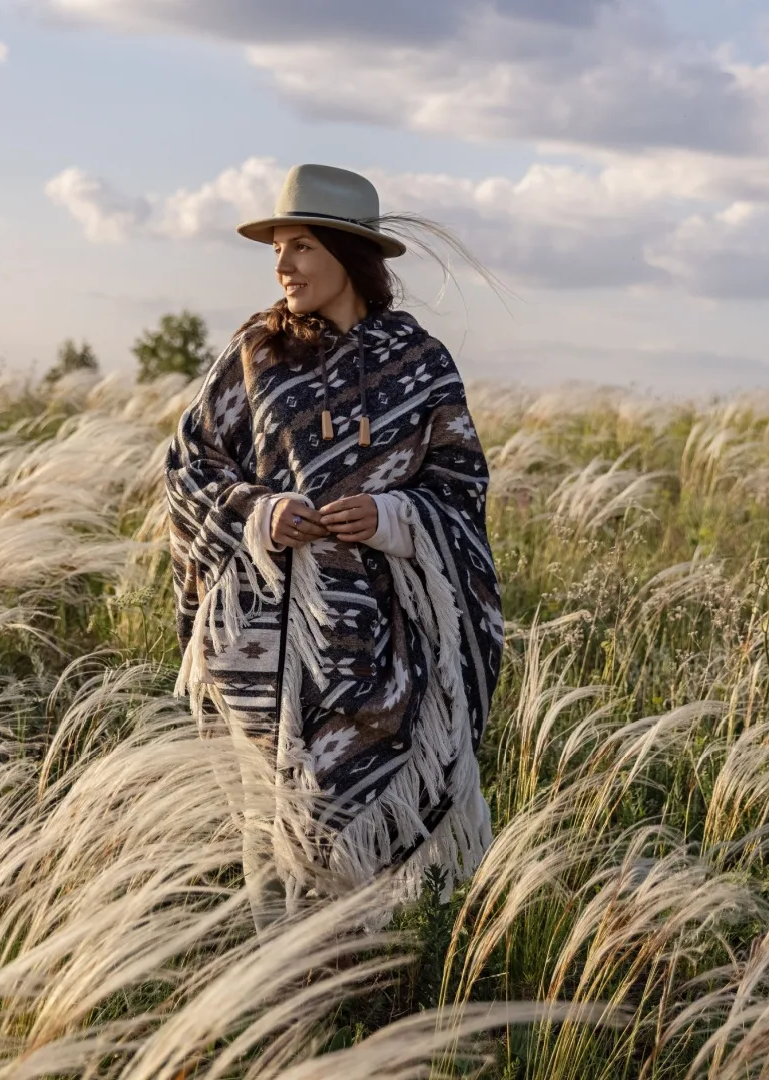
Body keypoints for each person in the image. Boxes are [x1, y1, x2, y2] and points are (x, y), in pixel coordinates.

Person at [164, 164, 504, 913]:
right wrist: (260, 511)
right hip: (270, 640)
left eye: (301, 247)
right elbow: (189, 467)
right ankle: (295, 965)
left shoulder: (420, 364)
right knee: (292, 815)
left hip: (388, 634)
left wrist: (392, 518)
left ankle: (370, 964)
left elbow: (461, 489)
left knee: (370, 811)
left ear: (349, 257)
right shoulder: (255, 354)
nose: (282, 266)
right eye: (277, 249)